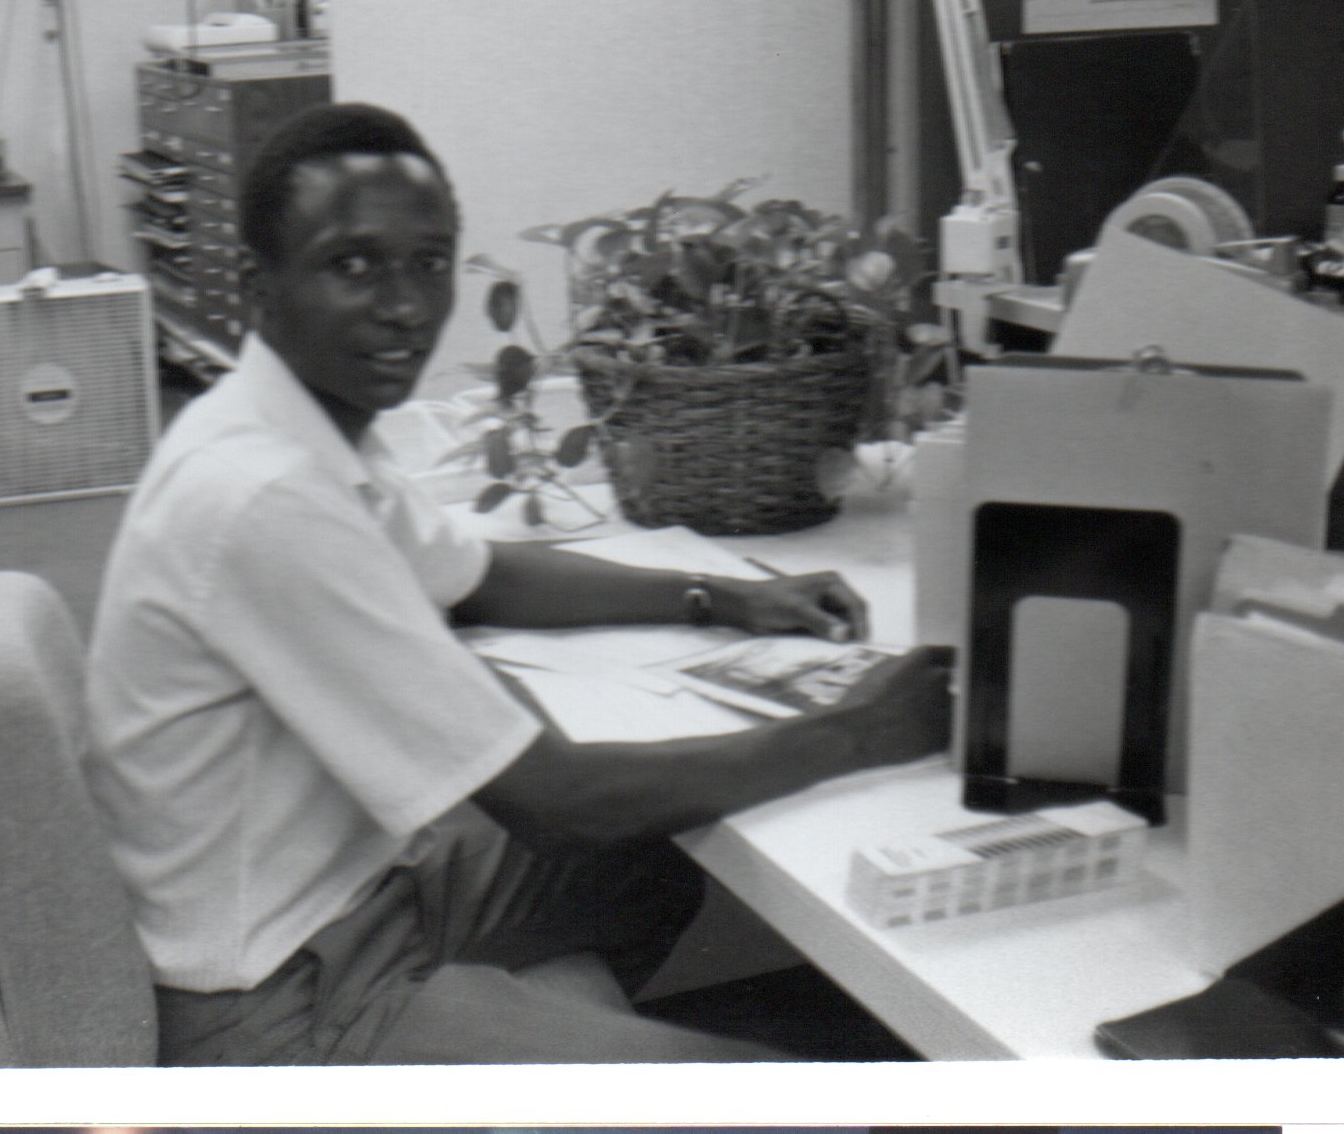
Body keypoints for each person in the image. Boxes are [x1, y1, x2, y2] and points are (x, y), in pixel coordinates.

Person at [86, 102, 952, 1065]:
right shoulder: (264, 497)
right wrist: (860, 730)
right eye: (353, 264)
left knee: (650, 865)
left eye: (427, 262)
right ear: (261, 286)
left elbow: (480, 575)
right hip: (280, 1007)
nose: (404, 305)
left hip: (350, 899)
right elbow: (558, 800)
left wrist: (718, 597)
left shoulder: (287, 423)